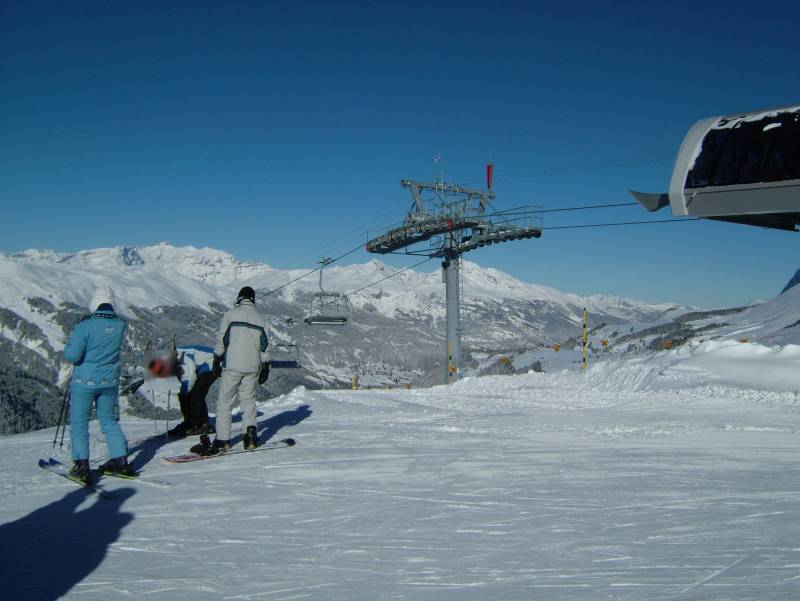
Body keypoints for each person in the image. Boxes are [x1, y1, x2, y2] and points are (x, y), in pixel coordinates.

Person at [63, 286, 132, 483]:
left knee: (79, 423)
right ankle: (120, 461)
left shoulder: (85, 326)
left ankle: (82, 465)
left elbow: (73, 355)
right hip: (109, 380)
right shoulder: (119, 325)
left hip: (84, 380)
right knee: (109, 421)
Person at [192, 286, 269, 456]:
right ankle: (250, 437)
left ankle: (223, 440)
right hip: (252, 367)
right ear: (253, 299)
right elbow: (265, 345)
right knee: (248, 401)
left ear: (240, 298)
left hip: (232, 365)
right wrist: (265, 365)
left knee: (225, 402)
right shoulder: (261, 318)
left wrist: (217, 358)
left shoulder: (231, 315)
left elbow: (222, 339)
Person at [148, 344, 218, 437]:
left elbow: (190, 379)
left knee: (196, 393)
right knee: (186, 394)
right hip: (204, 364)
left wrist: (181, 391)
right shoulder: (171, 359)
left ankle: (199, 424)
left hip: (213, 362)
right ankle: (191, 422)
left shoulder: (183, 359)